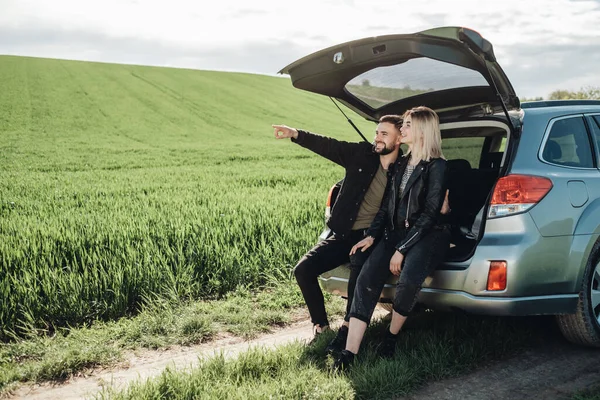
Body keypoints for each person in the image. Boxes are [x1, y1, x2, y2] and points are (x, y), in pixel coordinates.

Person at [333, 106, 451, 370]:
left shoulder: (437, 166)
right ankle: (349, 353)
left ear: (421, 130)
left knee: (408, 280)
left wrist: (402, 248)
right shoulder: (400, 164)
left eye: (407, 125)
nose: (403, 129)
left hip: (428, 234)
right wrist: (372, 236)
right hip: (395, 232)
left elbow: (431, 213)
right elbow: (387, 206)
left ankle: (390, 337)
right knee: (366, 279)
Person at [272, 116, 403, 351]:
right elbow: (328, 145)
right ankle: (321, 326)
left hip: (374, 236)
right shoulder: (361, 153)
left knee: (358, 270)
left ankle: (347, 329)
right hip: (343, 233)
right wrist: (295, 133)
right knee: (303, 270)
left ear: (400, 138)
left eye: (384, 134)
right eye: (376, 133)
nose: (377, 138)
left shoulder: (404, 169)